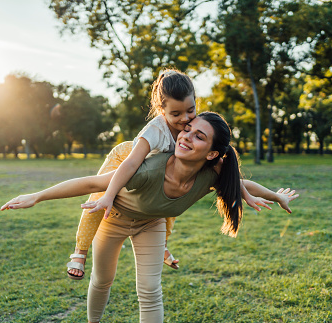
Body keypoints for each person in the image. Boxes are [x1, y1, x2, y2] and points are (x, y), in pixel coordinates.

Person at [1, 112, 299, 323]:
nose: (185, 137)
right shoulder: (148, 168)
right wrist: (37, 196)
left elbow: (242, 183)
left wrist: (275, 196)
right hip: (112, 220)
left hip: (150, 224)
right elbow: (93, 182)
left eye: (198, 136)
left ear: (211, 154)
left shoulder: (210, 177)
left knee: (150, 289)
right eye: (187, 130)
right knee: (102, 280)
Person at [67, 69, 260, 279]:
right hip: (127, 158)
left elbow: (227, 172)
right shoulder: (155, 130)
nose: (185, 119)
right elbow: (131, 162)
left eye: (190, 110)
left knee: (169, 206)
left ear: (195, 102)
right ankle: (80, 251)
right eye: (176, 114)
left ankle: (163, 246)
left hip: (161, 171)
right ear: (162, 110)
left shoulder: (194, 127)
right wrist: (109, 195)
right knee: (97, 197)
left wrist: (249, 196)